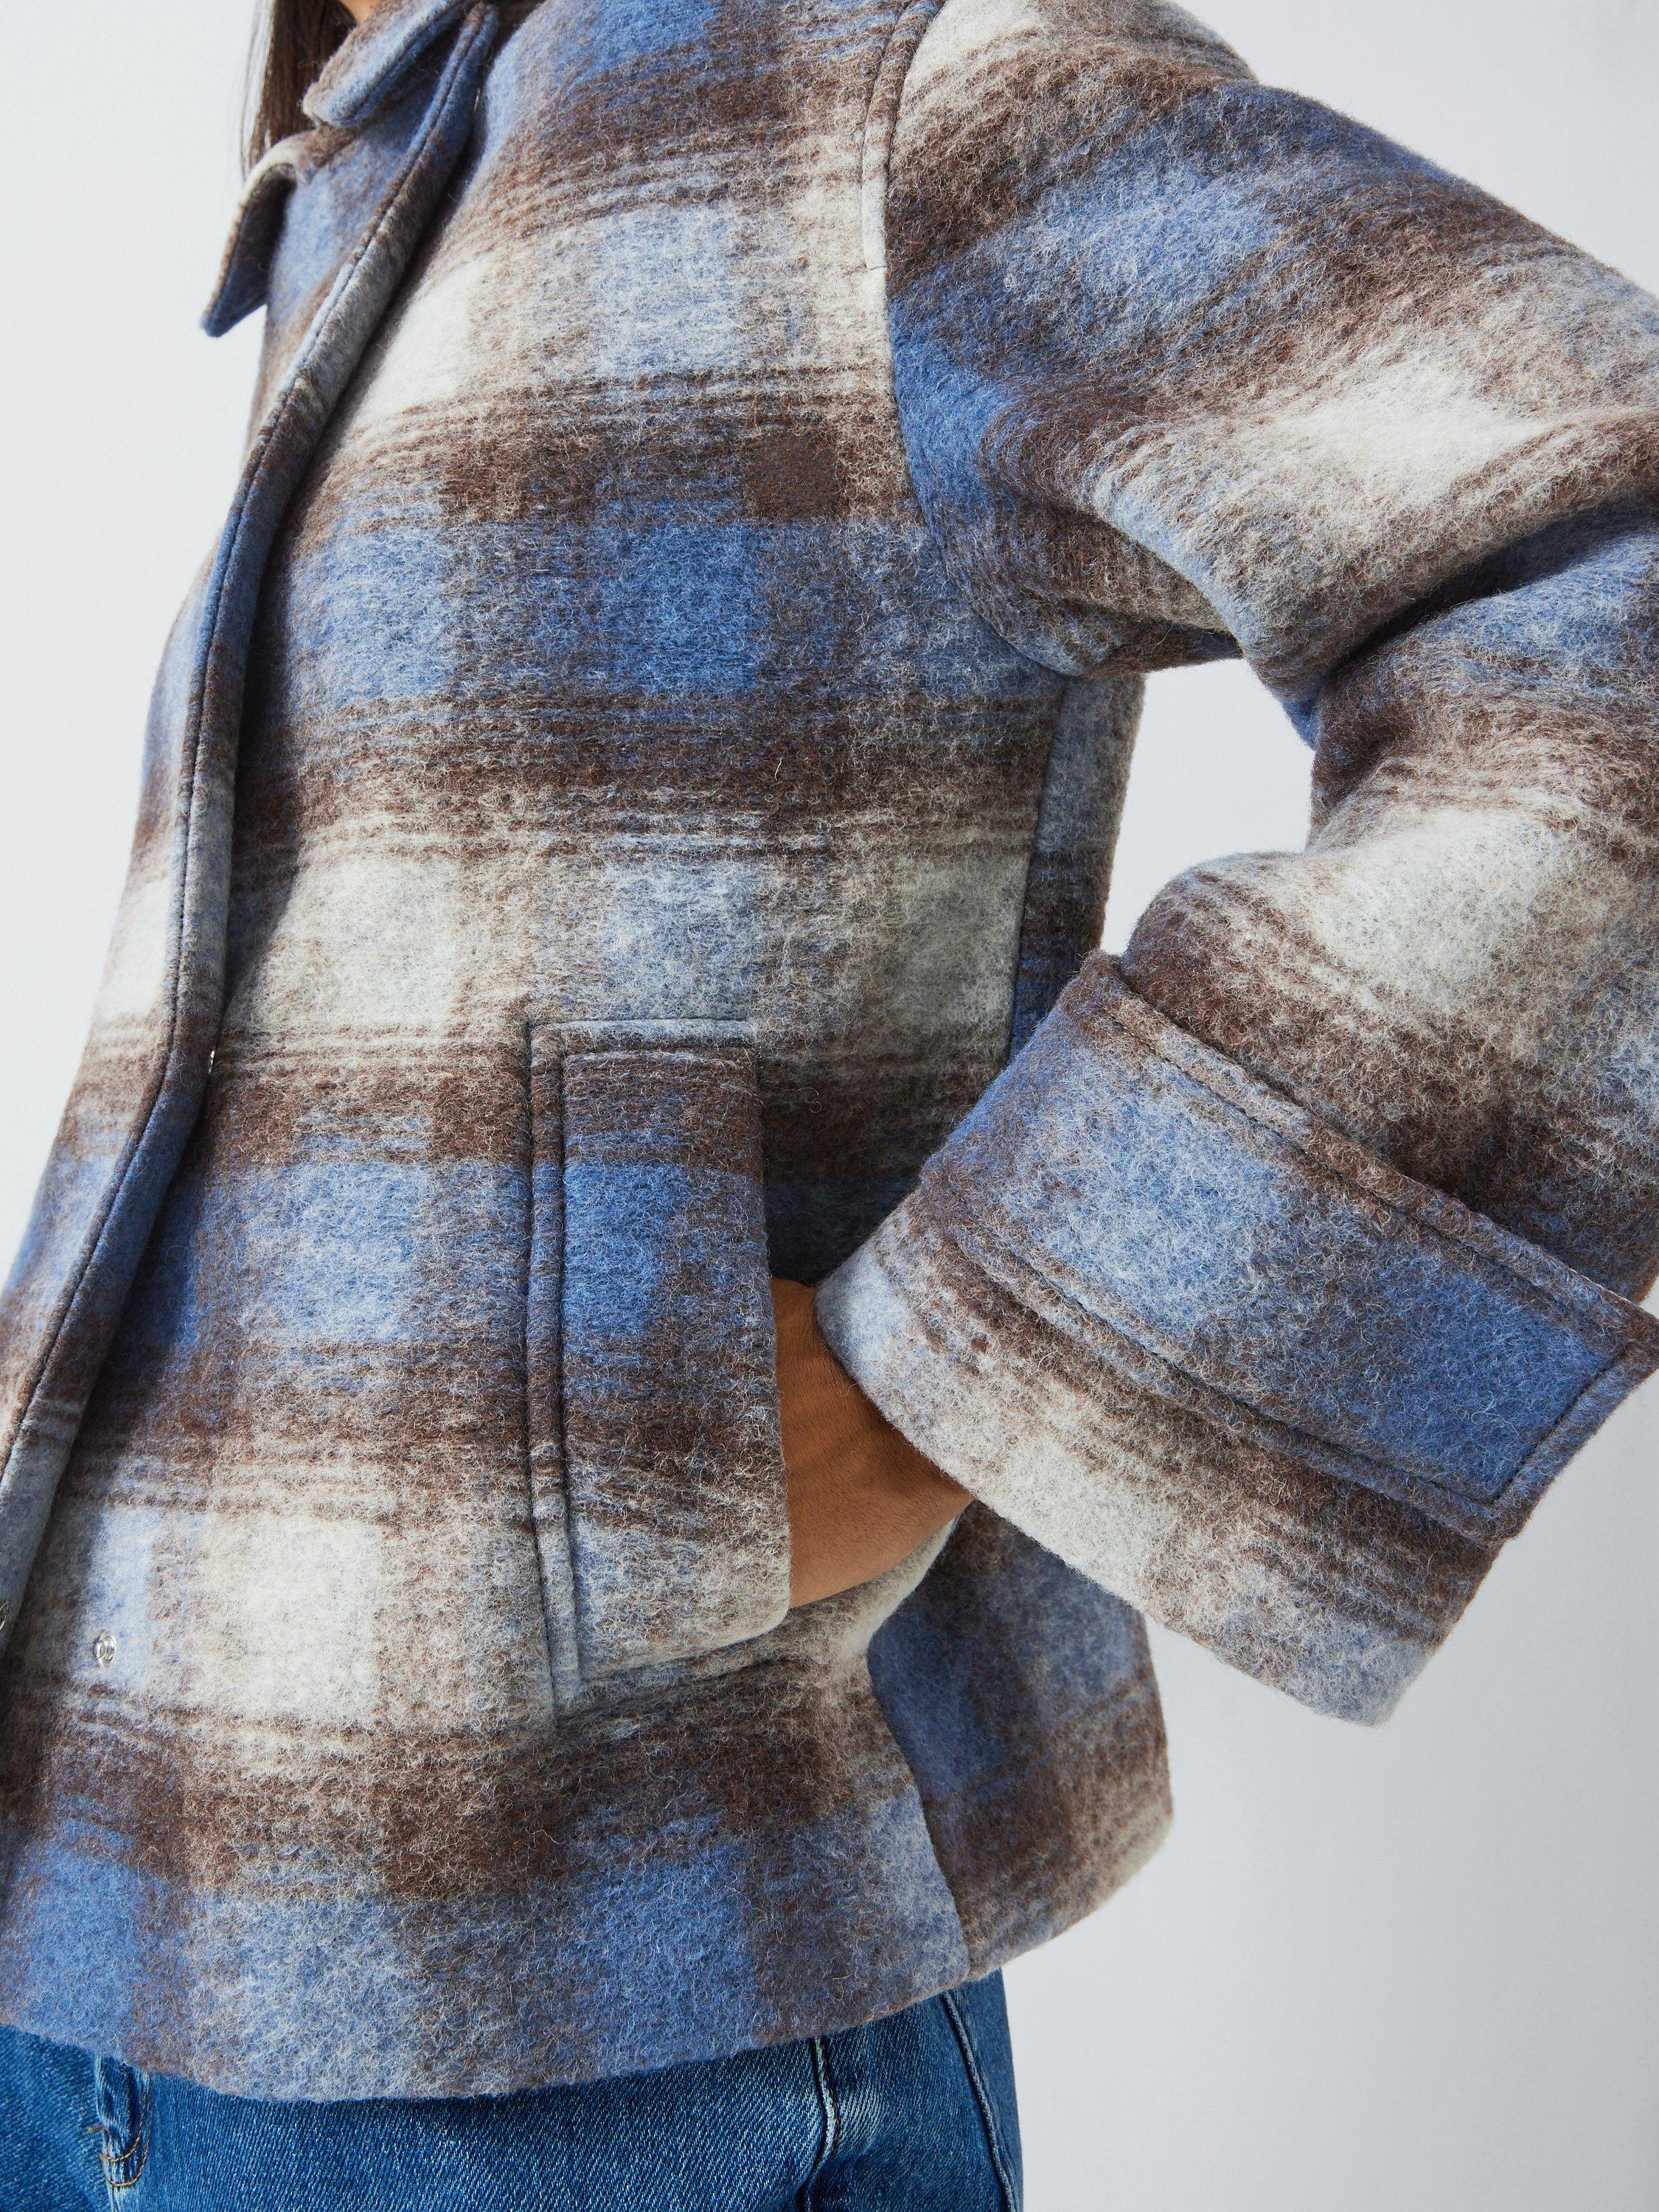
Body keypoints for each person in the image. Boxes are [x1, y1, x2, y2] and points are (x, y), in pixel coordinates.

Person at [1, 0, 1655, 2201]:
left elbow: (1613, 606)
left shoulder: (866, 83)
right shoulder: (370, 175)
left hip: (575, 2003)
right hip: (86, 1932)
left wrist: (974, 1368)